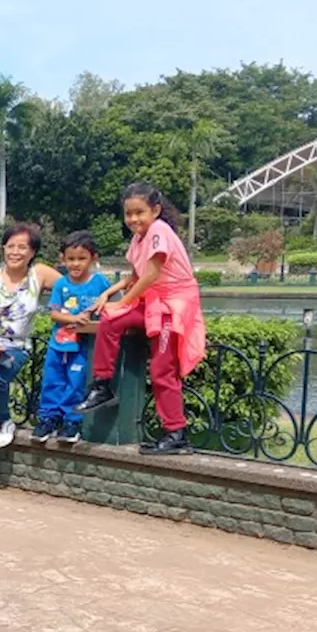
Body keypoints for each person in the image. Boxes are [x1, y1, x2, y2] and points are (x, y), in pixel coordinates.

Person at [76, 182, 206, 454]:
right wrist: (109, 296)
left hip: (172, 307)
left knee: (162, 368)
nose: (133, 219)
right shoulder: (139, 238)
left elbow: (152, 274)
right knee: (112, 320)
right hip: (152, 302)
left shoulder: (159, 231)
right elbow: (136, 276)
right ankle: (102, 385)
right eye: (129, 214)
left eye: (139, 212)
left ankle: (175, 432)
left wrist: (122, 302)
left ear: (155, 210)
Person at [0, 222, 61, 494]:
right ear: (3, 248)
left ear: (32, 252)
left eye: (22, 247)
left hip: (15, 348)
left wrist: (102, 299)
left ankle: (3, 419)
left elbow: (72, 286)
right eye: (10, 246)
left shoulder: (38, 275)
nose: (15, 252)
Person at [33, 231, 121, 444]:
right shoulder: (61, 284)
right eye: (71, 259)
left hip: (83, 345)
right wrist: (72, 317)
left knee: (76, 383)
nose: (76, 264)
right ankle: (48, 418)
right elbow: (54, 313)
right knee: (52, 380)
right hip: (59, 343)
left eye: (82, 259)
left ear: (94, 259)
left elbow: (116, 301)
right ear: (62, 259)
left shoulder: (100, 282)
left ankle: (71, 421)